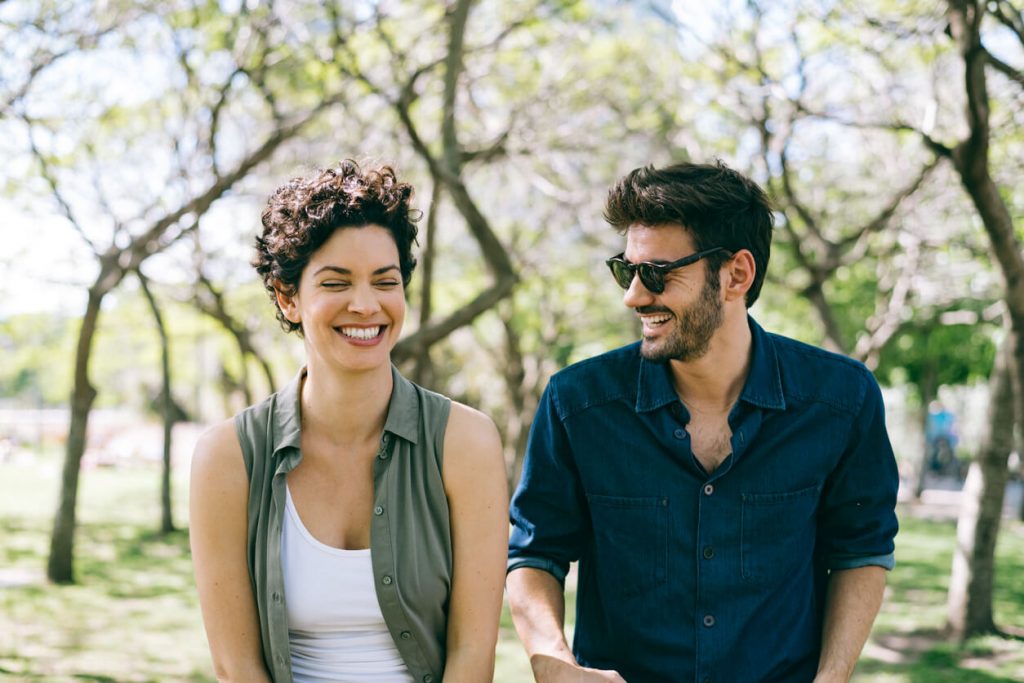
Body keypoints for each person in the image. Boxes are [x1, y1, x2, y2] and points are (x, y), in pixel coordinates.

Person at [506, 161, 899, 683]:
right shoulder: (577, 404)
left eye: (657, 273)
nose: (634, 295)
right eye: (627, 270)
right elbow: (535, 554)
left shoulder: (842, 400)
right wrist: (552, 664)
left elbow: (861, 551)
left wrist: (831, 677)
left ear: (736, 274)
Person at [190, 160, 509, 683]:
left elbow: (473, 655)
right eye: (336, 283)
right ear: (288, 297)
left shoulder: (464, 442)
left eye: (385, 281)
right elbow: (236, 666)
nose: (366, 305)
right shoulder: (226, 457)